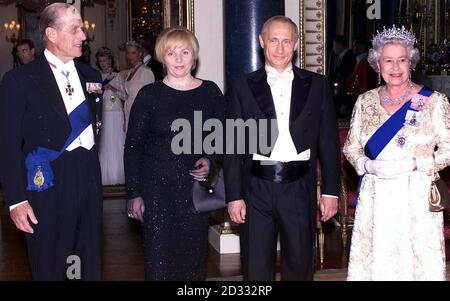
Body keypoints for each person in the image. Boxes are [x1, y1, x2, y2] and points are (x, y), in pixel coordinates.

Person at [224, 16, 340, 281]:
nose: (279, 48)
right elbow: (232, 146)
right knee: (255, 267)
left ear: (296, 44)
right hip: (255, 188)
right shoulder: (242, 86)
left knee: (300, 266)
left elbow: (329, 143)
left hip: (300, 187)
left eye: (286, 41)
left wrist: (331, 192)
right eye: (273, 40)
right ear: (261, 41)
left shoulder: (317, 85)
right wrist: (234, 195)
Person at [0, 3, 103, 280]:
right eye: (75, 29)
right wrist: (16, 200)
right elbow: (7, 145)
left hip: (89, 184)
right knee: (51, 266)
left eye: (82, 28)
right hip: (47, 186)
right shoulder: (20, 80)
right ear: (51, 34)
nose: (83, 35)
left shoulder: (92, 77)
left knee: (86, 263)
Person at [343, 25, 450, 280]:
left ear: (410, 62)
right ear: (377, 64)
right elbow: (351, 146)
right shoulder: (365, 101)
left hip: (415, 196)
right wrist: (368, 166)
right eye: (388, 61)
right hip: (376, 195)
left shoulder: (433, 101)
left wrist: (417, 162)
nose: (395, 67)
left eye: (402, 60)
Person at [124, 27, 225, 280]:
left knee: (193, 261)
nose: (178, 59)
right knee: (159, 263)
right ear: (162, 57)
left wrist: (210, 159)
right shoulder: (149, 95)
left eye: (184, 52)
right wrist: (134, 193)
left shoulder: (210, 92)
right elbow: (133, 147)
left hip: (193, 191)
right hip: (156, 192)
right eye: (171, 53)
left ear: (194, 56)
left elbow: (222, 139)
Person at [95, 46, 127, 185]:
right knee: (105, 143)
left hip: (116, 113)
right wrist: (101, 88)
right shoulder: (96, 76)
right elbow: (91, 95)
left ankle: (118, 175)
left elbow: (125, 95)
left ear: (110, 61)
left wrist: (112, 88)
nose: (103, 63)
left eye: (105, 60)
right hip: (103, 114)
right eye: (101, 61)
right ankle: (105, 176)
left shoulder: (118, 75)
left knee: (117, 142)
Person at [123, 41, 155, 131]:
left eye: (133, 53)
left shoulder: (145, 72)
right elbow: (127, 96)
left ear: (140, 53)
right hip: (129, 113)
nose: (129, 56)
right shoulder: (130, 72)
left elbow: (151, 98)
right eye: (128, 53)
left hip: (140, 115)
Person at [343, 38, 376, 117]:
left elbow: (364, 83)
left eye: (355, 46)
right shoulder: (357, 60)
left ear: (362, 47)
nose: (353, 48)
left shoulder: (366, 62)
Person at [328, 35, 356, 117]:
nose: (333, 48)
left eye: (334, 45)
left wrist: (344, 102)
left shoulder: (349, 57)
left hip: (345, 97)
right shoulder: (340, 58)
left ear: (340, 45)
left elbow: (346, 81)